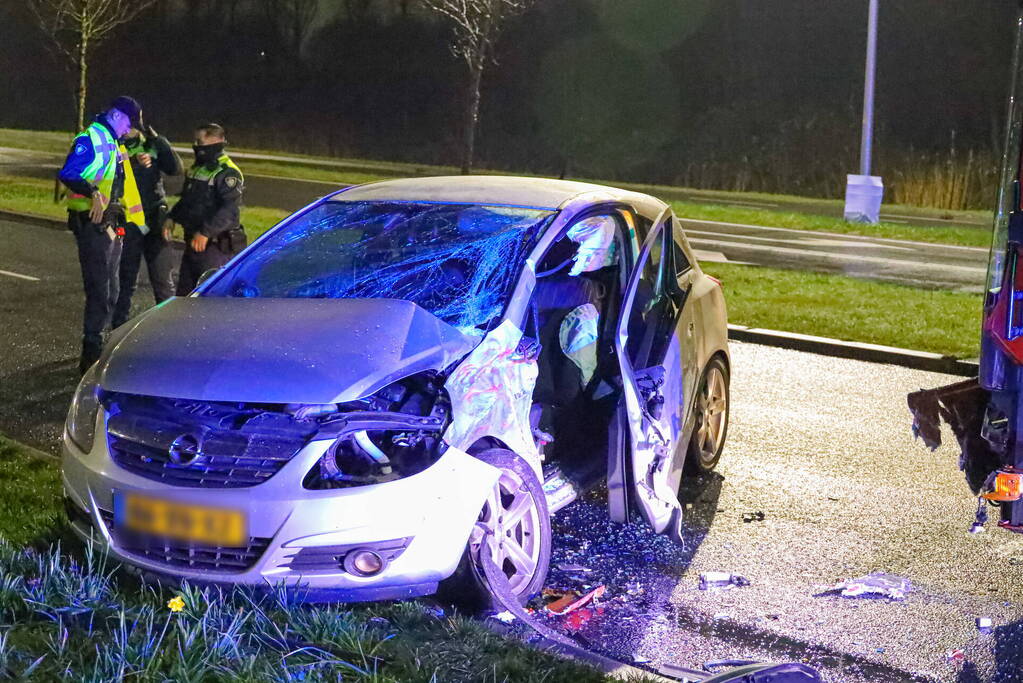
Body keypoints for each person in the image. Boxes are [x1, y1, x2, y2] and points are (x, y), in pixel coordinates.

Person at [59, 95, 147, 374]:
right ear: (119, 116)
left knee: (113, 291)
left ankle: (103, 350)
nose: (129, 131)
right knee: (100, 292)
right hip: (92, 224)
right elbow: (69, 172)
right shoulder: (93, 138)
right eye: (129, 125)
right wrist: (94, 192)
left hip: (110, 224)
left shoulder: (112, 140)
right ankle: (91, 355)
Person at [111, 119, 183, 326]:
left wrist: (160, 141)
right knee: (125, 282)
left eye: (127, 125)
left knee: (163, 282)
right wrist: (134, 163)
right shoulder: (114, 145)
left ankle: (169, 331)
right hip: (129, 221)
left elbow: (175, 169)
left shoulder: (152, 144)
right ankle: (118, 330)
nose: (123, 130)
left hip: (154, 219)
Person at [164, 123, 246, 294]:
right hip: (194, 244)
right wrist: (172, 217)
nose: (196, 146)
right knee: (185, 297)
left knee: (209, 298)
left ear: (216, 141)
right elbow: (188, 200)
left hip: (215, 247)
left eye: (200, 142)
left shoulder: (228, 172)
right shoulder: (197, 169)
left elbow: (229, 210)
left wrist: (205, 232)